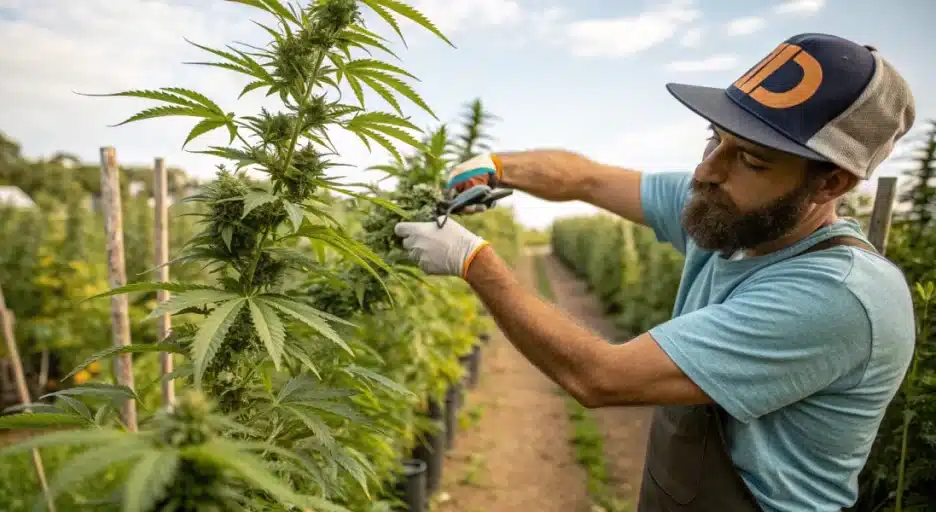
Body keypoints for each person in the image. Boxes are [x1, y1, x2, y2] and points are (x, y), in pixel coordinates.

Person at [392, 33, 917, 512]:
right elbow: (587, 179)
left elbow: (600, 377)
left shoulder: (836, 296)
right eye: (715, 139)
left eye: (751, 160)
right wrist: (497, 167)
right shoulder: (731, 212)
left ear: (830, 184)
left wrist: (474, 262)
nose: (706, 171)